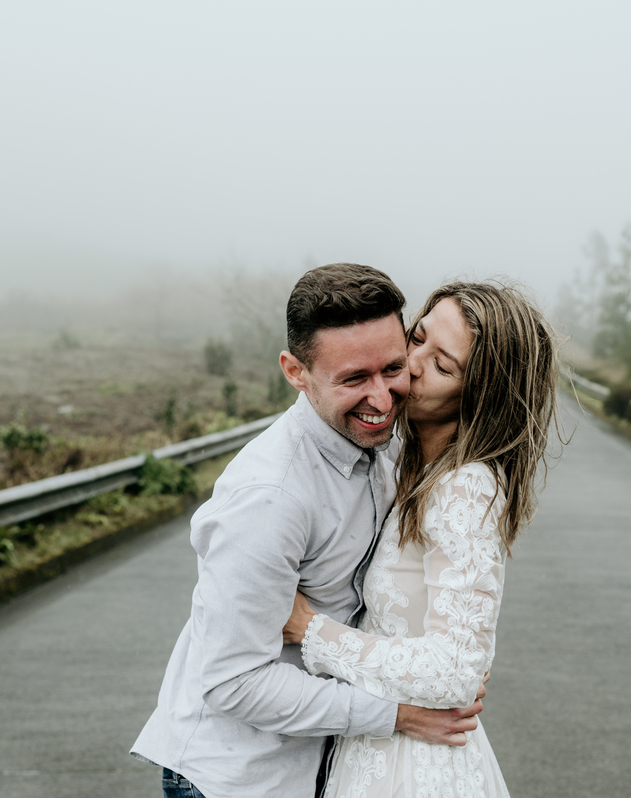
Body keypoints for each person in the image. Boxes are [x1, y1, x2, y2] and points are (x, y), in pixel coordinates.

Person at [130, 264, 485, 798]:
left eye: (392, 368)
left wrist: (440, 668)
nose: (383, 399)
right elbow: (233, 682)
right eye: (354, 379)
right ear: (295, 372)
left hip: (323, 765)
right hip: (238, 781)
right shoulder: (269, 498)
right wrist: (398, 713)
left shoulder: (385, 441)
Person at [282, 281, 559, 797]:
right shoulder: (402, 462)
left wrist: (310, 631)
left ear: (479, 397)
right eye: (418, 337)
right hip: (377, 744)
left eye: (442, 366)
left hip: (414, 768)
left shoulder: (466, 488)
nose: (410, 364)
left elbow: (455, 671)